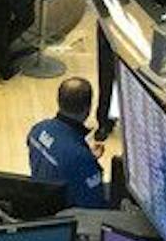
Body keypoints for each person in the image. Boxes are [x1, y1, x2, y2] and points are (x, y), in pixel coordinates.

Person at [27, 77, 108, 209]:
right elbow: (95, 205)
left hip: (41, 201)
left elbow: (56, 157)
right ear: (88, 109)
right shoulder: (81, 159)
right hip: (65, 214)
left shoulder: (38, 129)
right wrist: (87, 160)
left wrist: (87, 156)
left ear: (58, 101)